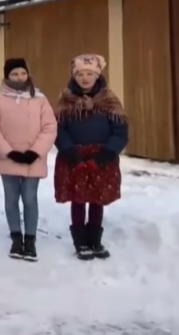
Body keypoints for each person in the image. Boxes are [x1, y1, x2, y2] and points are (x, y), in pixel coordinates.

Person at [53, 54, 127, 261]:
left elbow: (120, 131)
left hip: (102, 158)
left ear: (97, 75)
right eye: (80, 74)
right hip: (74, 158)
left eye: (89, 74)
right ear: (74, 76)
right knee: (78, 200)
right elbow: (59, 130)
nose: (85, 78)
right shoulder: (65, 100)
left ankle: (95, 240)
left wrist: (103, 157)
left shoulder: (109, 100)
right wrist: (72, 156)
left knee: (97, 199)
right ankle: (80, 242)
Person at [0, 58, 57, 261]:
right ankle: (16, 238)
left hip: (32, 158)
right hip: (9, 158)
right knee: (11, 199)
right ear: (7, 76)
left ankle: (30, 239)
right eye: (14, 74)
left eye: (22, 73)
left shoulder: (39, 99)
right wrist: (9, 152)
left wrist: (36, 151)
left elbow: (50, 127)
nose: (19, 77)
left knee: (29, 198)